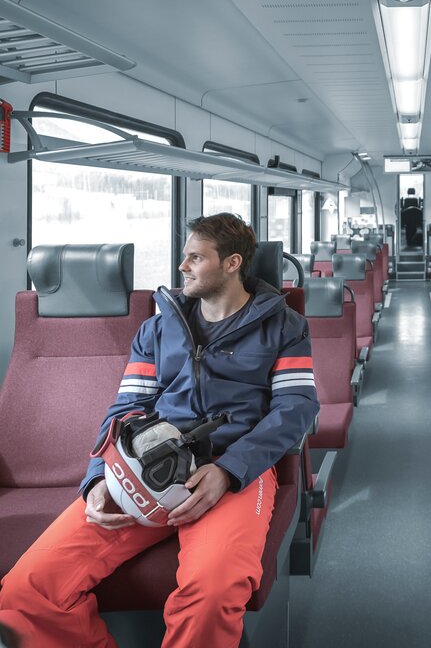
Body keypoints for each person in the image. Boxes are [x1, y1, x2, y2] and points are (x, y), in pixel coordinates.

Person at [0, 213, 319, 648]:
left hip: (232, 470)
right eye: (184, 257)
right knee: (24, 595)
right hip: (144, 464)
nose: (182, 267)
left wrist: (229, 469)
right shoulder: (157, 328)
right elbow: (127, 408)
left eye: (195, 258)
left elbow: (296, 407)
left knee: (211, 595)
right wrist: (99, 475)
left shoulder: (284, 327)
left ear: (232, 263)